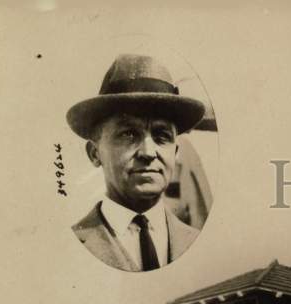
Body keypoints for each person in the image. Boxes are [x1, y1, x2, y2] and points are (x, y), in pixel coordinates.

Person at [67, 54, 206, 271]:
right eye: (129, 134)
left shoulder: (195, 241)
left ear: (175, 152)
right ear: (95, 154)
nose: (149, 153)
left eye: (162, 136)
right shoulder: (71, 245)